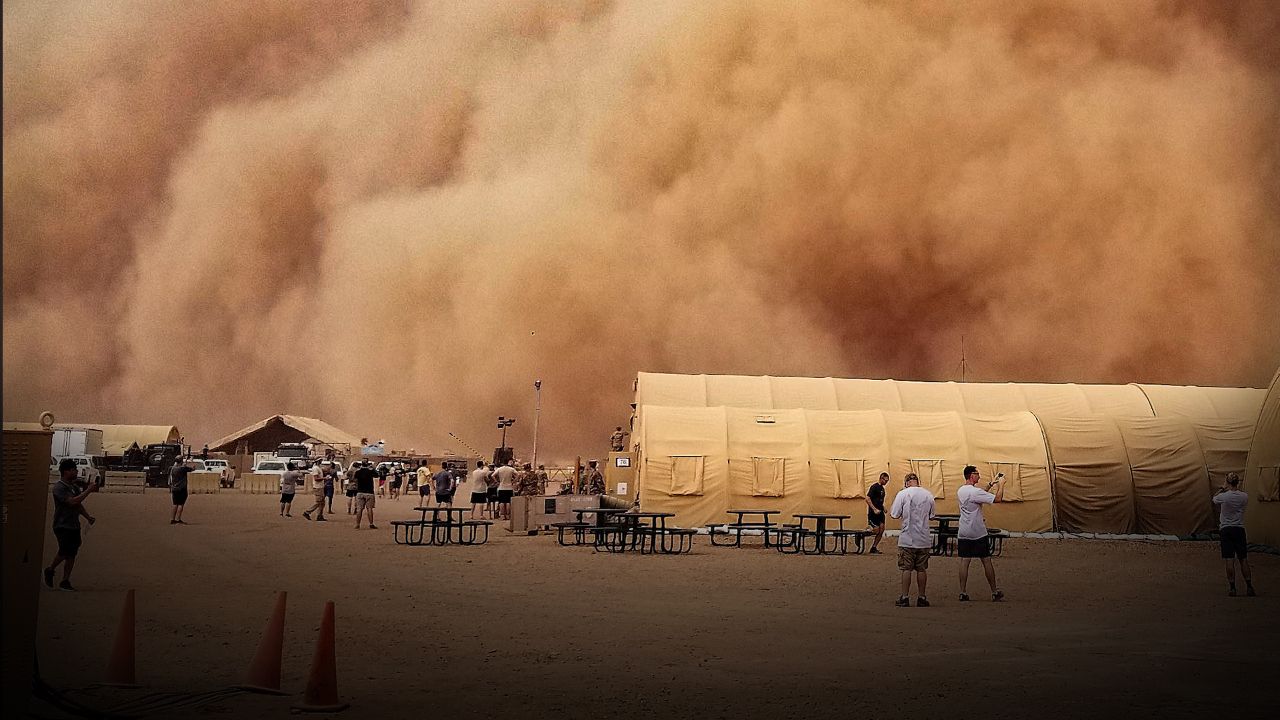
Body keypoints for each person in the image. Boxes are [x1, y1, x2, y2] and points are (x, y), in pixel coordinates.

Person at [45, 458, 98, 591]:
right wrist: (88, 491)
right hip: (62, 525)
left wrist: (87, 517)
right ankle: (50, 569)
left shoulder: (73, 487)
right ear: (66, 471)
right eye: (73, 469)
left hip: (74, 524)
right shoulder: (59, 488)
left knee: (72, 553)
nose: (75, 471)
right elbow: (73, 502)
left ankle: (65, 580)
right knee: (65, 550)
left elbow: (78, 506)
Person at [956, 465, 1005, 602]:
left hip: (964, 531)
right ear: (971, 475)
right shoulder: (975, 492)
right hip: (977, 531)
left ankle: (962, 591)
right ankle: (994, 591)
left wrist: (991, 484)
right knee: (986, 560)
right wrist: (1001, 485)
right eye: (977, 474)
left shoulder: (961, 490)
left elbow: (979, 495)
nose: (979, 476)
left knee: (965, 561)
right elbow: (998, 499)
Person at [889, 472, 935, 607]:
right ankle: (922, 597)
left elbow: (894, 514)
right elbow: (932, 515)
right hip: (924, 538)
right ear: (917, 481)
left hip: (907, 538)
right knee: (921, 569)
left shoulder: (902, 494)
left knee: (906, 569)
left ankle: (905, 597)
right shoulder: (928, 494)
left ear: (907, 482)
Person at [1213, 472, 1256, 597]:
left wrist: (1222, 487)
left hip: (1226, 529)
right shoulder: (1244, 496)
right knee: (1243, 558)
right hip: (1239, 529)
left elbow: (1214, 498)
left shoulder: (1224, 496)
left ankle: (1232, 588)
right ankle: (1249, 586)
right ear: (1238, 482)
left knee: (1229, 559)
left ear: (1227, 482)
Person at [865, 471, 890, 554]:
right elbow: (867, 498)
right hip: (873, 513)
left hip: (880, 513)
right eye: (885, 480)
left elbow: (879, 501)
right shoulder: (874, 487)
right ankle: (862, 534)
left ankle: (874, 547)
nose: (886, 482)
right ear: (881, 478)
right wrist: (874, 509)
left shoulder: (882, 489)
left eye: (887, 481)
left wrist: (883, 507)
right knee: (876, 530)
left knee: (882, 530)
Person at [353, 460, 378, 529]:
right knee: (369, 508)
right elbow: (377, 475)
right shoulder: (370, 472)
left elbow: (355, 479)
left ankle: (357, 524)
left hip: (360, 491)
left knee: (359, 509)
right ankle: (371, 523)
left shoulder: (358, 472)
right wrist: (373, 468)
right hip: (369, 492)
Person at [169, 457, 193, 525]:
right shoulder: (182, 468)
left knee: (175, 504)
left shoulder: (173, 468)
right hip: (182, 488)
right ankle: (178, 519)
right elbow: (191, 469)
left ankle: (172, 519)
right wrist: (186, 466)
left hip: (174, 488)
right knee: (180, 504)